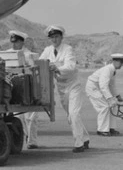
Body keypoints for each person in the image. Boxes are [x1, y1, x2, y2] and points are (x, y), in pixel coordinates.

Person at [36, 25, 90, 153]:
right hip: (61, 86)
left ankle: (79, 144)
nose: (54, 40)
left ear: (61, 37)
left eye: (56, 37)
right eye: (52, 38)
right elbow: (39, 62)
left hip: (73, 85)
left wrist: (57, 68)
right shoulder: (48, 50)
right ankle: (85, 137)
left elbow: (70, 66)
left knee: (74, 113)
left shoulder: (68, 49)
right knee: (70, 115)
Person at [6, 30, 38, 148]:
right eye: (12, 42)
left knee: (31, 117)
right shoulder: (8, 53)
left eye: (16, 42)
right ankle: (18, 140)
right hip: (14, 88)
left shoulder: (29, 54)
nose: (14, 45)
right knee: (17, 117)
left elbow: (33, 70)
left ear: (22, 42)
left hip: (27, 88)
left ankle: (32, 141)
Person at [85, 53, 123, 136]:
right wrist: (110, 98)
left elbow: (111, 85)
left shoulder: (112, 70)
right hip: (93, 88)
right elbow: (103, 86)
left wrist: (117, 97)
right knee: (104, 107)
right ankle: (102, 130)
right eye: (121, 62)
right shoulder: (107, 70)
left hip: (98, 88)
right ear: (115, 61)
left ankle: (111, 128)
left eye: (122, 62)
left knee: (113, 105)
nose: (122, 65)